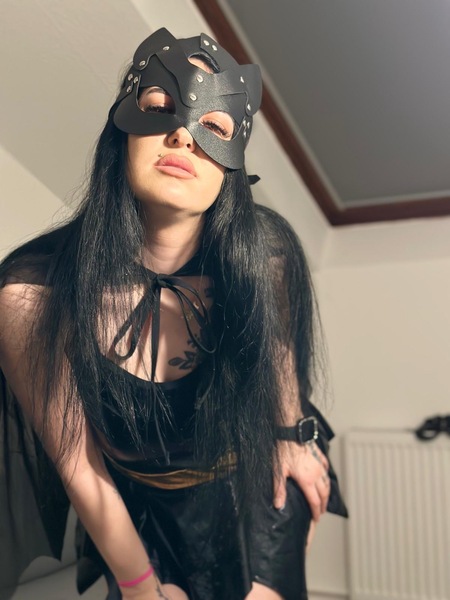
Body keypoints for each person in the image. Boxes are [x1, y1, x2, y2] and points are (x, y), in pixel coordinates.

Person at [0, 27, 347, 600]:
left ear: (232, 165)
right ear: (121, 134)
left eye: (215, 127)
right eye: (160, 108)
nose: (184, 134)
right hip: (137, 507)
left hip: (252, 480)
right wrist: (139, 584)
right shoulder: (31, 295)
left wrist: (293, 437)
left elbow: (279, 354)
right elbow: (78, 462)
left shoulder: (266, 255)